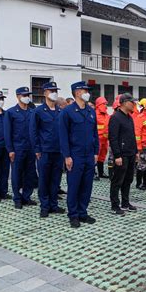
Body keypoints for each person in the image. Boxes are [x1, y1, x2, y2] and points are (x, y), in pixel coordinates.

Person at [59, 81, 99, 227]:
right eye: (85, 90)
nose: (87, 93)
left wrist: (96, 152)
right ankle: (73, 215)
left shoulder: (90, 111)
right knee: (74, 186)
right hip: (75, 155)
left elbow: (95, 133)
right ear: (77, 93)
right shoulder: (67, 112)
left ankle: (83, 212)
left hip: (89, 155)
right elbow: (63, 136)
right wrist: (67, 156)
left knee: (87, 186)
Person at [30, 82, 65, 218]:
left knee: (56, 179)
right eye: (51, 91)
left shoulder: (60, 111)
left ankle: (54, 204)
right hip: (44, 151)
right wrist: (37, 149)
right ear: (45, 93)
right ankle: (44, 206)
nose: (54, 93)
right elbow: (33, 132)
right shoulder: (38, 111)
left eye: (55, 90)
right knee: (44, 179)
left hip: (58, 151)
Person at [4, 87, 37, 209]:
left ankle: (26, 197)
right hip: (17, 149)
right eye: (24, 95)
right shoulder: (11, 112)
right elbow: (7, 133)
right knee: (17, 174)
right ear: (18, 96)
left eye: (28, 95)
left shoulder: (32, 112)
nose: (27, 97)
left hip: (30, 148)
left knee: (30, 174)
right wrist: (10, 150)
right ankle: (17, 198)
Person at [108, 93, 138, 215]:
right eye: (132, 102)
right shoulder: (115, 118)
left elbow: (132, 136)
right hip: (121, 155)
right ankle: (115, 205)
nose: (134, 105)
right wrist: (117, 155)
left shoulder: (129, 117)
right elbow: (113, 138)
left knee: (128, 179)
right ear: (125, 103)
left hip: (130, 153)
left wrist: (135, 152)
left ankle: (125, 203)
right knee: (117, 180)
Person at [95, 97, 110, 179]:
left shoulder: (106, 115)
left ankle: (101, 173)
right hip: (97, 140)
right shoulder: (94, 115)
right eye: (104, 104)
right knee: (95, 156)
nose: (106, 106)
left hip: (105, 140)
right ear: (99, 105)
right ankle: (93, 173)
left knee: (102, 156)